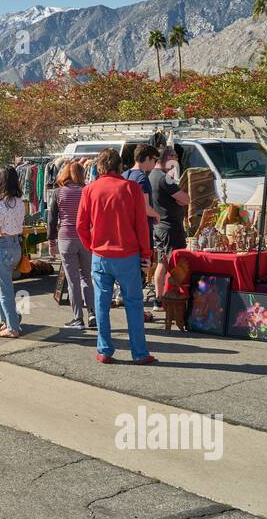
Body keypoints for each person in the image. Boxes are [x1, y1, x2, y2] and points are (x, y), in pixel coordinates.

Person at [77, 149, 155, 365]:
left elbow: (80, 225)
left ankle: (104, 350)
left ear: (99, 166)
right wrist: (146, 253)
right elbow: (141, 225)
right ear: (120, 165)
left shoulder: (90, 189)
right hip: (127, 255)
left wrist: (92, 246)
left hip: (100, 255)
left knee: (101, 303)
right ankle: (139, 352)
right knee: (134, 304)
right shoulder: (131, 188)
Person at [49, 160, 95, 330]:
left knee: (72, 279)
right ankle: (93, 313)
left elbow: (52, 219)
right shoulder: (87, 191)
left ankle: (78, 318)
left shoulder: (58, 192)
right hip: (85, 238)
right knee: (87, 277)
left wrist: (51, 241)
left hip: (66, 237)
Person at [0, 166, 25, 338]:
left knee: (3, 288)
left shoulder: (0, 205)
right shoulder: (20, 203)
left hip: (4, 246)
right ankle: (10, 319)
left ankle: (12, 326)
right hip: (15, 245)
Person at [148, 146, 191, 311]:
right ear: (167, 158)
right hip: (170, 227)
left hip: (159, 226)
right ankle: (171, 299)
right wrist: (181, 197)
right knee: (174, 264)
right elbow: (185, 199)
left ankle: (159, 300)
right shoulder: (165, 178)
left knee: (161, 262)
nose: (177, 160)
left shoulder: (151, 175)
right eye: (174, 156)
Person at [124, 145, 162, 317]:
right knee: (140, 272)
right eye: (154, 160)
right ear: (147, 159)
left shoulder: (124, 175)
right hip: (141, 232)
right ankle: (137, 312)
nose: (154, 164)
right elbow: (144, 207)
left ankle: (133, 309)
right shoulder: (142, 178)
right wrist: (156, 214)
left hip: (126, 232)